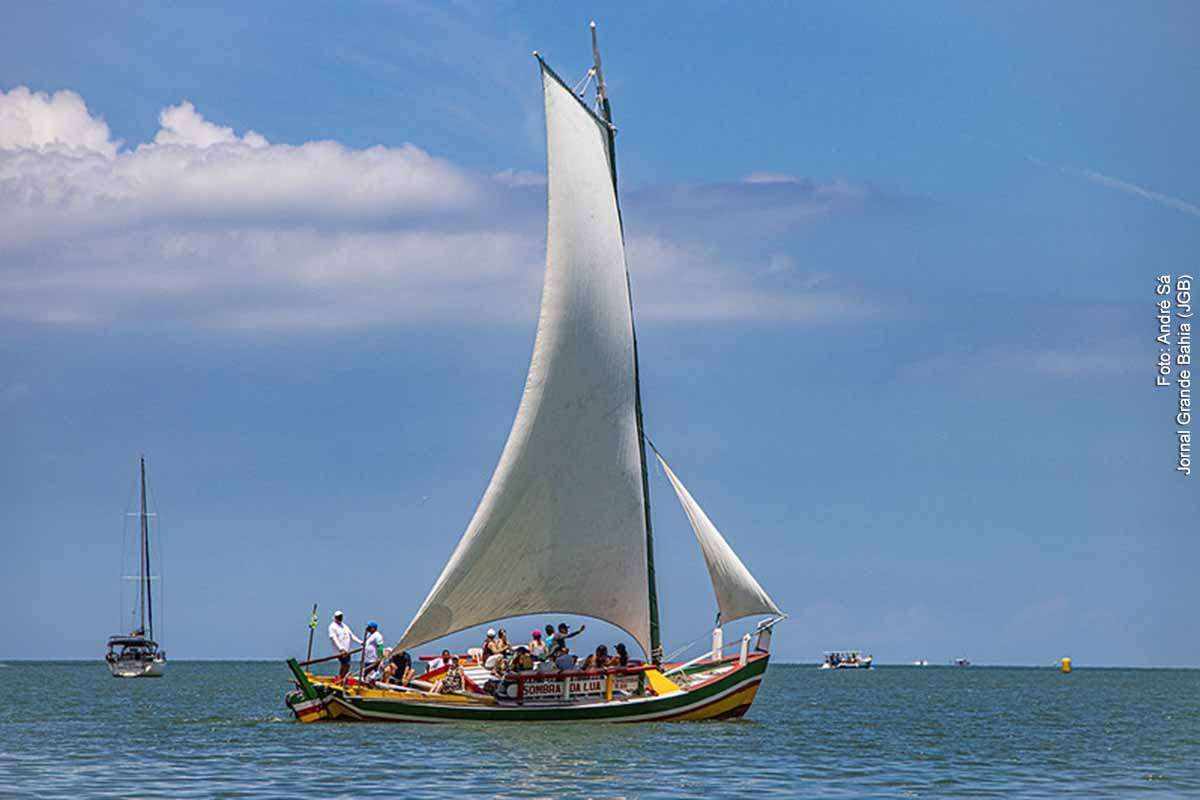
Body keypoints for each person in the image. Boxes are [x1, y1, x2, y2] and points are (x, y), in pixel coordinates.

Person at [328, 610, 362, 683]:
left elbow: (352, 636)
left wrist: (361, 642)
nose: (340, 618)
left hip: (347, 650)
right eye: (338, 617)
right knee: (345, 664)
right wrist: (341, 649)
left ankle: (343, 678)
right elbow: (334, 638)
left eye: (341, 617)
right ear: (335, 617)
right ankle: (341, 678)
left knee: (347, 665)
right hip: (340, 651)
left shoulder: (344, 626)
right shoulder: (332, 626)